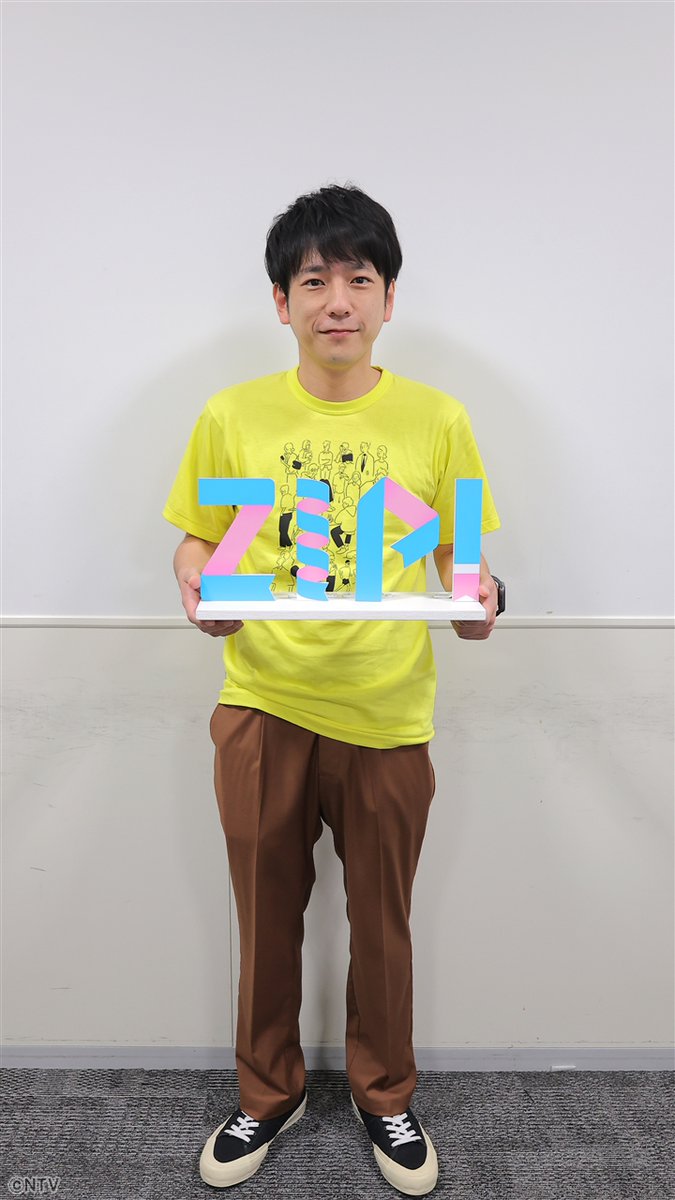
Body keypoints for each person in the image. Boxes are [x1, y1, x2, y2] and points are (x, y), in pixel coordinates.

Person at [162, 184, 502, 1195]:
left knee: (382, 924)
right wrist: (195, 584)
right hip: (261, 703)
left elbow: (463, 561)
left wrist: (480, 599)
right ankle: (266, 1095)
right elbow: (197, 541)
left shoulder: (438, 419)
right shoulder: (231, 414)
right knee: (264, 918)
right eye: (314, 281)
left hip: (388, 711)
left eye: (359, 278)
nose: (338, 301)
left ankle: (384, 1094)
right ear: (282, 302)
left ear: (389, 298)